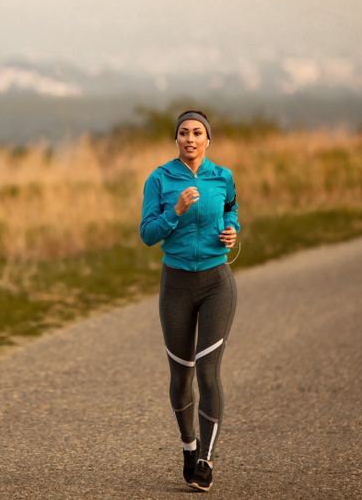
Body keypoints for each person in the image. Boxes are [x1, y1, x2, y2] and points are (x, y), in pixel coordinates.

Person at [139, 109, 239, 492]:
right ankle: (188, 445)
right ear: (177, 139)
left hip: (216, 283)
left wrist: (232, 230)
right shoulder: (160, 179)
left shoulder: (222, 176)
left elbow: (231, 210)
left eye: (198, 133)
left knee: (208, 372)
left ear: (208, 140)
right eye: (184, 133)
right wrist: (175, 211)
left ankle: (205, 461)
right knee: (182, 376)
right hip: (176, 285)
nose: (191, 139)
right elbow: (148, 234)